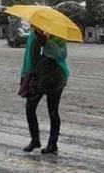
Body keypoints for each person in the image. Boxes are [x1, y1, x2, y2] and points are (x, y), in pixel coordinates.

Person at [20, 27, 68, 155]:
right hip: (38, 77)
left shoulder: (57, 36)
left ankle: (52, 144)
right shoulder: (33, 35)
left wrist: (47, 42)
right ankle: (35, 140)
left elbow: (61, 54)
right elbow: (29, 57)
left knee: (52, 111)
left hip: (55, 78)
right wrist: (25, 74)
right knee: (30, 108)